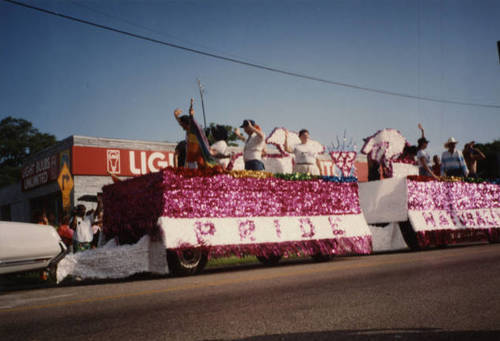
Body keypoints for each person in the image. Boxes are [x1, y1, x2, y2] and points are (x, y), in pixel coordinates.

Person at [174, 98, 215, 169]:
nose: (181, 127)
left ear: (187, 124)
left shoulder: (194, 130)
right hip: (190, 159)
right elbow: (181, 122)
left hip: (198, 160)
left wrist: (191, 114)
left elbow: (191, 121)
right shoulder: (187, 131)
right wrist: (176, 116)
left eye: (182, 125)